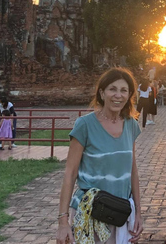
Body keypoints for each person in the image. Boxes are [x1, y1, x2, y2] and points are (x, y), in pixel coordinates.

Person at [56, 68, 144, 244]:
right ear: (102, 93)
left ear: (129, 95)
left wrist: (138, 214)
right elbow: (70, 173)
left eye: (123, 90)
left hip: (120, 214)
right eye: (112, 89)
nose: (117, 95)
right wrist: (63, 222)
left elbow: (132, 170)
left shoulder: (131, 125)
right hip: (91, 213)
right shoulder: (85, 125)